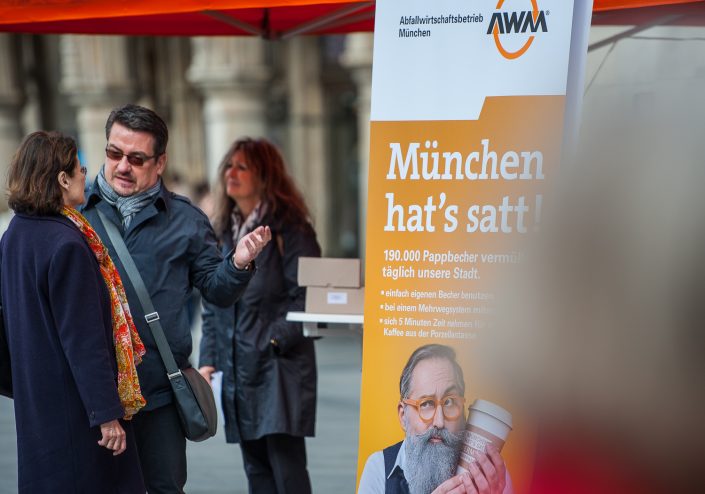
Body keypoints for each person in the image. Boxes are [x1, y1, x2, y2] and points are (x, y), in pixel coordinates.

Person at [80, 104, 271, 493]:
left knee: (165, 488)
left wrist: (237, 263)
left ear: (160, 162)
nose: (122, 167)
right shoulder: (78, 213)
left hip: (159, 393)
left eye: (136, 158)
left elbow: (216, 292)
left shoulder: (184, 219)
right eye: (114, 153)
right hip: (94, 392)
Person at [0, 131, 145, 493]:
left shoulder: (15, 234)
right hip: (79, 415)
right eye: (80, 168)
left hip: (38, 407)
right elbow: (85, 341)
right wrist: (107, 415)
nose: (86, 174)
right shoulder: (67, 244)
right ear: (62, 179)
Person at [198, 137, 320, 494]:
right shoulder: (223, 229)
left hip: (277, 368)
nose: (230, 174)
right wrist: (208, 358)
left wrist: (272, 341)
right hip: (237, 368)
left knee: (286, 472)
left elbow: (308, 296)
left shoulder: (291, 229)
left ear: (265, 176)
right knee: (256, 472)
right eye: (228, 166)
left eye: (242, 167)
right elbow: (213, 301)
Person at [358, 344, 512, 494]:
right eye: (426, 404)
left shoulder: (491, 473)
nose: (439, 421)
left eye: (449, 402)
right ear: (403, 416)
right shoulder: (379, 467)